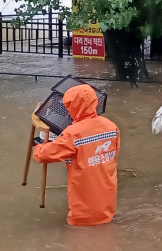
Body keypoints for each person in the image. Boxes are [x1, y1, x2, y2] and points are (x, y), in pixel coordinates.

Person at [33, 84, 120, 226]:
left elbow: (44, 156)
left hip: (83, 207)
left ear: (72, 107)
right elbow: (114, 155)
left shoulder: (73, 133)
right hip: (108, 202)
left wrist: (39, 146)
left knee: (79, 236)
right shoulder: (111, 126)